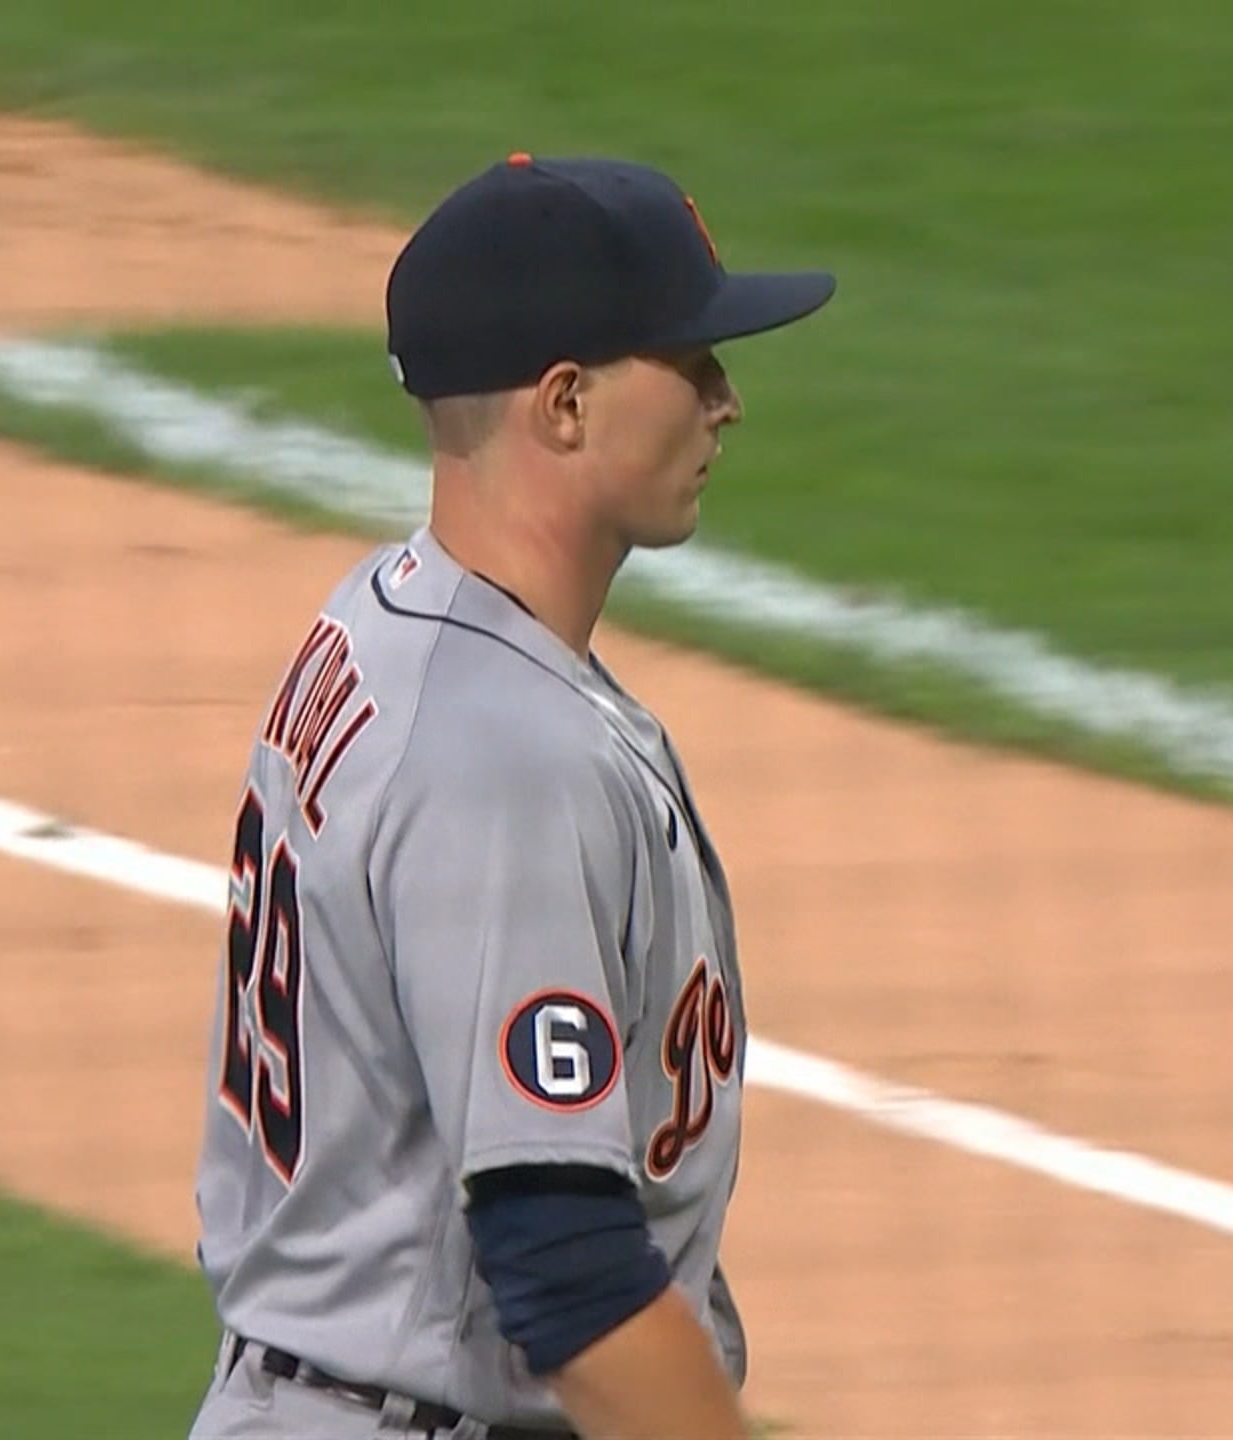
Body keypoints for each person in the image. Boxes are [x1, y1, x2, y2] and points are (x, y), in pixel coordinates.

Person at [187, 151, 836, 1440]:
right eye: (690, 362)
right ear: (564, 404)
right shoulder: (503, 757)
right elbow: (568, 1272)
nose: (727, 402)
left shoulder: (383, 622)